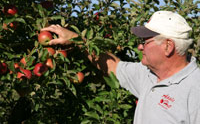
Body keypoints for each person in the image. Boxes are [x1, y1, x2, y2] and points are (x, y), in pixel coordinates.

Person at [41, 11, 200, 124]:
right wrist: (76, 40)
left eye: (145, 42)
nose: (139, 47)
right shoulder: (148, 74)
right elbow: (113, 66)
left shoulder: (195, 89)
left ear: (168, 46)